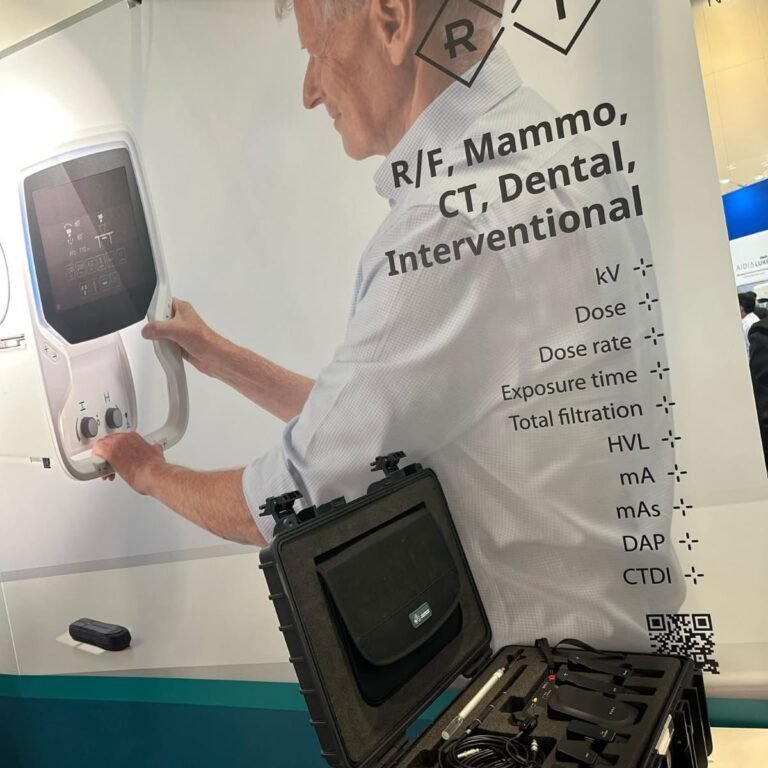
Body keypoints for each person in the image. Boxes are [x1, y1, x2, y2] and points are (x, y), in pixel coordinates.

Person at [95, 0, 682, 649]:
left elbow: (291, 497)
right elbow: (380, 422)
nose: (309, 90)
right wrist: (220, 357)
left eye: (315, 50)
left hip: (549, 684)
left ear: (394, 22)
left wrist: (146, 470)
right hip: (630, 668)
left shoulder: (448, 223)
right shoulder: (563, 155)